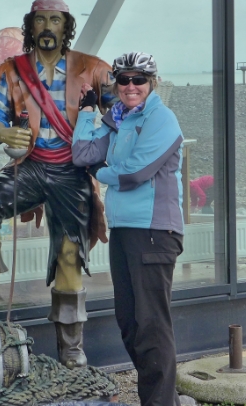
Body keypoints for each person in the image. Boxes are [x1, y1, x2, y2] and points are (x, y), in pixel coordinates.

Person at [0, 0, 115, 369]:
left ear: (66, 26)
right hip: (32, 167)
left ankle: (71, 349)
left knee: (70, 257)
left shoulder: (93, 69)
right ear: (31, 26)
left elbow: (123, 106)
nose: (48, 27)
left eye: (55, 20)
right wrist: (4, 132)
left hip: (72, 172)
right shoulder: (11, 70)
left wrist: (105, 137)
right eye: (40, 20)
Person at [72, 52, 185, 406]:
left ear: (153, 83)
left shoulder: (162, 119)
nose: (131, 86)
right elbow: (83, 154)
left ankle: (161, 403)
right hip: (123, 230)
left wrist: (100, 174)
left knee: (151, 326)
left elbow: (136, 173)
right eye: (124, 80)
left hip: (154, 231)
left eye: (139, 79)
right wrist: (89, 113)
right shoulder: (118, 119)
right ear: (116, 84)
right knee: (129, 323)